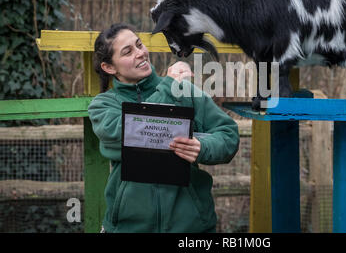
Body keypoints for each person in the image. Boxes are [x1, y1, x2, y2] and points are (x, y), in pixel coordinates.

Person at [87, 23, 239, 233]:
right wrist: (168, 88)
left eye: (139, 45)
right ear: (109, 67)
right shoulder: (104, 105)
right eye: (128, 52)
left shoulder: (184, 91)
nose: (140, 53)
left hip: (191, 227)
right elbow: (135, 131)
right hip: (128, 227)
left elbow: (228, 135)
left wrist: (201, 147)